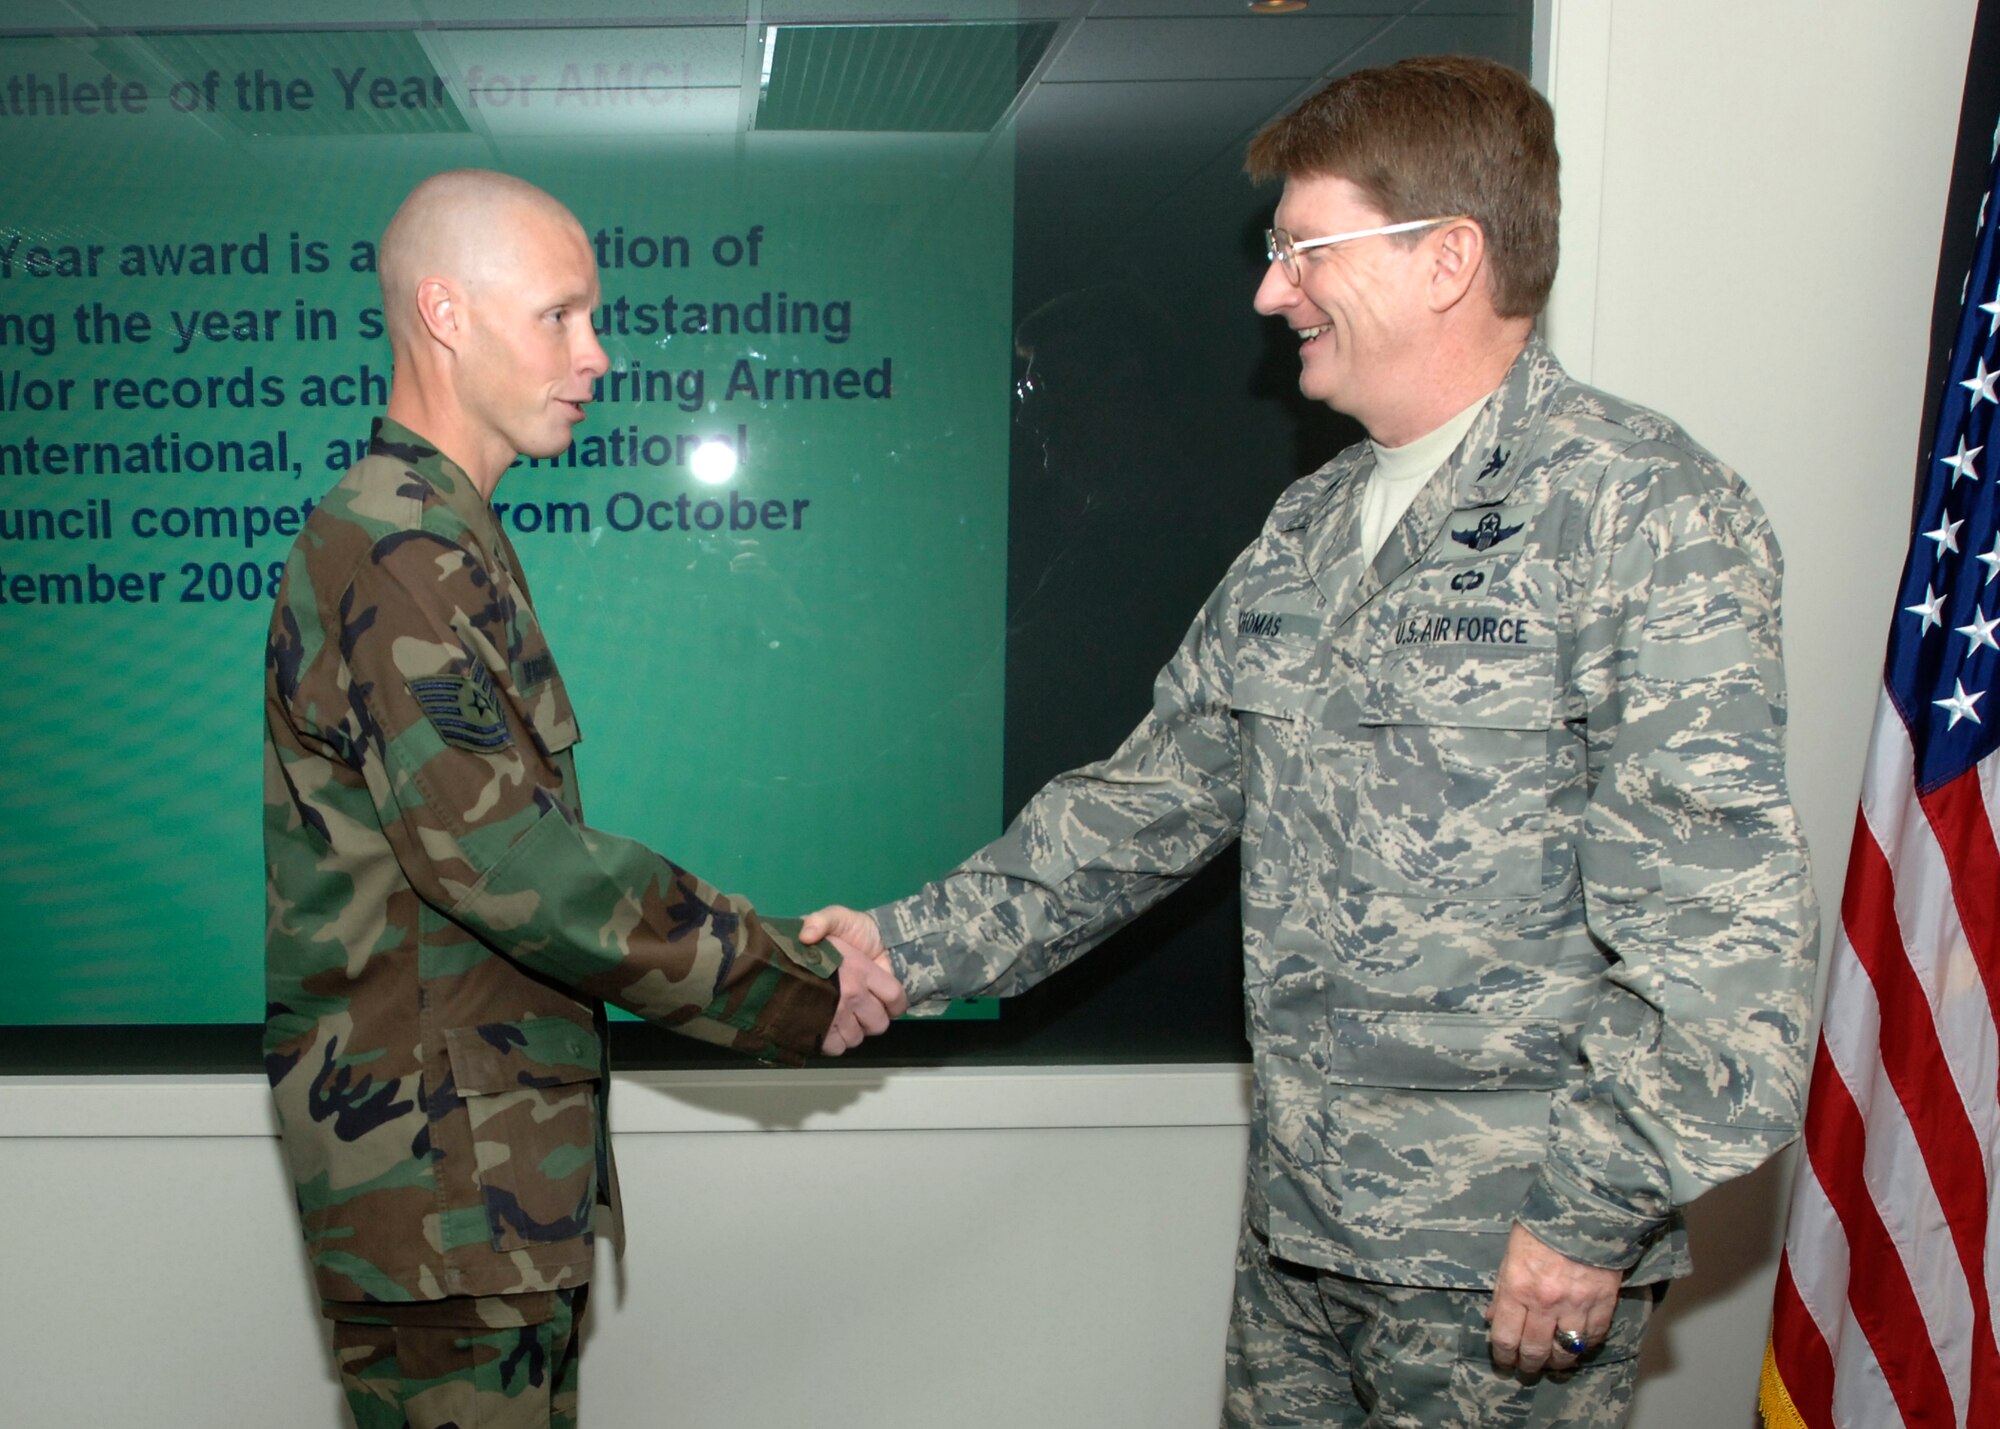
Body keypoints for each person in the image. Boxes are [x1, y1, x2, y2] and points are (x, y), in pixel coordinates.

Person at [803, 55, 1819, 1427]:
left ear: (1448, 258)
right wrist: (902, 949)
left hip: (1502, 1256)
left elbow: (1724, 937)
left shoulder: (1640, 512)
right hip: (1303, 1230)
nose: (1269, 293)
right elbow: (1147, 802)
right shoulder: (1309, 526)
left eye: (1303, 250)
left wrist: (1589, 1214)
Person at [262, 169, 905, 1429]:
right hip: (440, 1179)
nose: (595, 353)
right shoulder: (397, 552)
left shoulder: (439, 532)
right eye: (559, 315)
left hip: (475, 1180)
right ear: (444, 314)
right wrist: (790, 976)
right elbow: (518, 866)